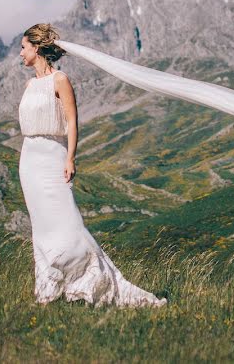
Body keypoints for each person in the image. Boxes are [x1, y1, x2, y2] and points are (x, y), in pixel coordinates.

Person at [17, 23, 166, 307]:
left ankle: (90, 282)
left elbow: (72, 121)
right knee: (42, 226)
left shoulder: (60, 80)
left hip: (52, 156)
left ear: (36, 48)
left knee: (68, 222)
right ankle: (50, 287)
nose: (20, 54)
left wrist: (70, 157)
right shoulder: (29, 84)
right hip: (29, 159)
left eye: (23, 47)